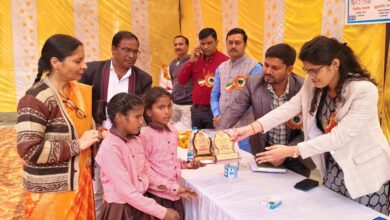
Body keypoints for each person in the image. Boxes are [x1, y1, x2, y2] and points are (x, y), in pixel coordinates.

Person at [233, 36, 390, 215]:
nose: (311, 76)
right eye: (307, 71)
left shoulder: (363, 91)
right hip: (333, 169)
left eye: (315, 71)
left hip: (365, 172)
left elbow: (340, 137)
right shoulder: (314, 83)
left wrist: (291, 150)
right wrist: (252, 128)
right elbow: (290, 107)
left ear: (335, 64)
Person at [16, 34, 100, 219]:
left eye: (83, 60)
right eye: (77, 61)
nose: (84, 65)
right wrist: (77, 145)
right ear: (56, 62)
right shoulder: (35, 99)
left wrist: (99, 133)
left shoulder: (78, 91)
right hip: (50, 195)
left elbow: (85, 129)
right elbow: (28, 150)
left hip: (80, 183)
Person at [80, 31, 152, 218]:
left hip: (126, 141)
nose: (132, 56)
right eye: (127, 50)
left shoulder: (143, 79)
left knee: (126, 187)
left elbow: (141, 113)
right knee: (97, 189)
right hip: (97, 137)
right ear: (113, 49)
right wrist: (95, 128)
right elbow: (81, 103)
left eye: (136, 52)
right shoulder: (92, 71)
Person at [218, 43, 314, 177]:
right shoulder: (253, 82)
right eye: (266, 65)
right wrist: (217, 136)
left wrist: (286, 152)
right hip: (264, 152)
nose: (268, 71)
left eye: (275, 68)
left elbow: (310, 128)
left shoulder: (304, 87)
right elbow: (234, 110)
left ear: (289, 69)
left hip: (296, 155)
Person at [95, 93, 196, 220]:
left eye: (141, 116)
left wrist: (175, 189)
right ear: (119, 118)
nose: (142, 121)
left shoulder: (135, 141)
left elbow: (147, 174)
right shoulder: (111, 148)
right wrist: (161, 212)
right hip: (121, 210)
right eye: (137, 117)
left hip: (140, 206)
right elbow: (127, 192)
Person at [140, 87, 204, 220]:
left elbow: (170, 160)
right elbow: (145, 172)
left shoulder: (172, 131)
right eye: (161, 107)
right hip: (157, 196)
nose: (167, 112)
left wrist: (187, 164)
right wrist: (173, 188)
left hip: (174, 194)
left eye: (169, 106)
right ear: (148, 111)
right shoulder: (145, 137)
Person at [210, 28, 262, 152]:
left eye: (237, 43)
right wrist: (217, 115)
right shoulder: (221, 67)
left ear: (245, 45)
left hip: (245, 127)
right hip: (222, 125)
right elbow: (214, 94)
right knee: (223, 160)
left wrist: (229, 117)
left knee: (243, 163)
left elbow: (256, 100)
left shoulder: (255, 68)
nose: (233, 46)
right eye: (230, 42)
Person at [178, 28, 229, 129]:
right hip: (196, 110)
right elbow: (181, 80)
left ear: (217, 42)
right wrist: (191, 62)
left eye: (209, 43)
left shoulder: (225, 61)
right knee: (196, 140)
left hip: (214, 111)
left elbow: (228, 88)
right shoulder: (195, 58)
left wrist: (219, 113)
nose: (206, 47)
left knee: (213, 141)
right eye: (202, 43)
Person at [168, 35, 193, 129]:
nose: (178, 47)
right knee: (172, 130)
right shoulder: (172, 64)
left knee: (186, 132)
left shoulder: (193, 61)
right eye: (175, 44)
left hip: (188, 105)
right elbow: (173, 81)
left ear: (187, 46)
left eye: (180, 44)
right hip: (175, 103)